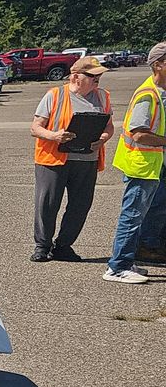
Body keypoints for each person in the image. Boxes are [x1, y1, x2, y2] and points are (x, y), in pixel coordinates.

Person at [30, 55, 112, 262]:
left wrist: (103, 138)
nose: (97, 79)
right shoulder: (54, 95)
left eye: (99, 75)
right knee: (47, 204)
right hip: (53, 159)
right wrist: (55, 136)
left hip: (87, 159)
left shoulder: (102, 97)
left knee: (80, 205)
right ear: (76, 77)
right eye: (93, 75)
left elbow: (109, 127)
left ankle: (64, 246)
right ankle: (42, 246)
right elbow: (35, 128)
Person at [106, 40, 166, 284]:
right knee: (131, 217)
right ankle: (117, 267)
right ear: (159, 65)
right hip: (141, 165)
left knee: (143, 215)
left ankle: (128, 261)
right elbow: (138, 133)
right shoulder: (147, 94)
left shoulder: (160, 92)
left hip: (153, 165)